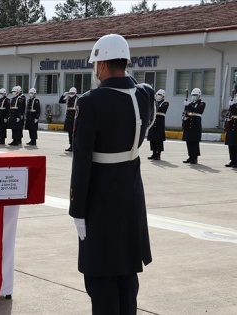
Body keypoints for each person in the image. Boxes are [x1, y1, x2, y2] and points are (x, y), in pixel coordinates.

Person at [69, 34, 155, 315]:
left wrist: (77, 209)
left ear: (102, 64)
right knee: (127, 277)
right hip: (131, 195)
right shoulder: (144, 94)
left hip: (100, 200)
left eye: (96, 64)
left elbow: (82, 160)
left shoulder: (91, 101)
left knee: (100, 277)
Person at [182, 88, 206, 164]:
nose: (193, 96)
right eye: (192, 95)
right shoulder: (191, 103)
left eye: (195, 95)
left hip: (196, 126)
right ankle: (190, 156)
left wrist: (188, 104)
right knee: (188, 142)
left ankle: (195, 158)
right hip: (189, 125)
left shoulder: (201, 103)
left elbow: (196, 110)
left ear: (199, 95)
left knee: (195, 142)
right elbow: (187, 112)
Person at [147, 89, 169, 160]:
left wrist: (154, 104)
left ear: (163, 96)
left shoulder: (165, 103)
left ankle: (158, 154)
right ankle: (153, 153)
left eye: (159, 95)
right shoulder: (154, 102)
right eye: (157, 95)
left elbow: (160, 109)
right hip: (153, 122)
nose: (158, 96)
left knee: (159, 139)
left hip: (159, 123)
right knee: (152, 139)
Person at [59, 87, 79, 152]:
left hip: (74, 118)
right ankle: (71, 146)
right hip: (68, 119)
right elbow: (60, 101)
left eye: (72, 93)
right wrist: (63, 95)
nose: (71, 94)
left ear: (75, 93)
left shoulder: (77, 99)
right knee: (69, 133)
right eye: (70, 93)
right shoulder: (68, 98)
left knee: (74, 134)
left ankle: (74, 146)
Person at [224, 97, 237, 167]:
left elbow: (235, 111)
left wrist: (232, 106)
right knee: (231, 145)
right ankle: (232, 160)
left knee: (236, 145)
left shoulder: (233, 106)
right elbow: (230, 113)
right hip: (231, 126)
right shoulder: (234, 105)